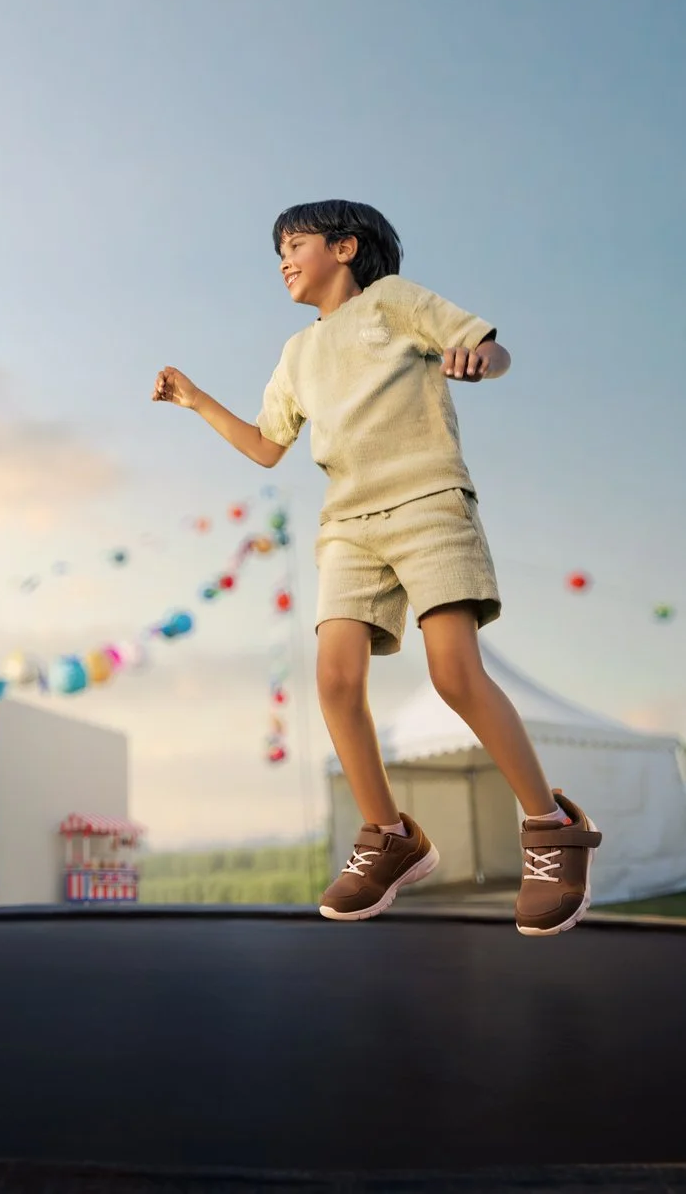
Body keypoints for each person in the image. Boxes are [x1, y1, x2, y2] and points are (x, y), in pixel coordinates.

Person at [153, 200, 599, 934]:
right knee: (334, 680)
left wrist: (479, 361)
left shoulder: (394, 301)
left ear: (345, 247)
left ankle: (552, 830)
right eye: (279, 253)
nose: (283, 262)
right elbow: (268, 446)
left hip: (426, 500)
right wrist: (197, 400)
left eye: (294, 245)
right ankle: (389, 837)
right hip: (349, 525)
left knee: (455, 673)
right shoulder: (297, 353)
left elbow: (491, 347)